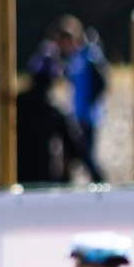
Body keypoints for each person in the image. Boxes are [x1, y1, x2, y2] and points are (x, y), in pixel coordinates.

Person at [13, 47, 86, 185]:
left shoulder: (16, 104)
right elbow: (76, 146)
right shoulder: (52, 110)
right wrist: (66, 175)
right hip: (45, 179)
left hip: (17, 176)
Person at [52, 16, 110, 184]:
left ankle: (101, 185)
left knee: (85, 156)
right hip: (77, 115)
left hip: (88, 116)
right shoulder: (75, 58)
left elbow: (101, 83)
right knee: (74, 156)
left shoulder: (89, 56)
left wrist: (90, 103)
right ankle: (66, 184)